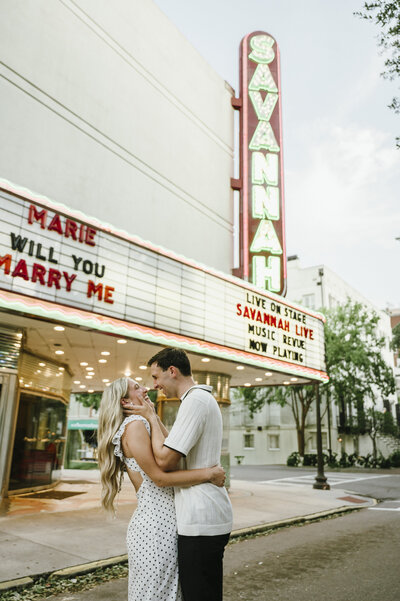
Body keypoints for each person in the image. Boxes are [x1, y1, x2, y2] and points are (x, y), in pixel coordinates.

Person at [97, 376, 226, 601]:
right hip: (156, 528)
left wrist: (152, 416)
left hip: (165, 522)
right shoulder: (135, 426)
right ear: (124, 401)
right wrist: (209, 474)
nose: (146, 388)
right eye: (137, 388)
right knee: (157, 595)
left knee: (167, 594)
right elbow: (159, 478)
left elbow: (173, 449)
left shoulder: (143, 421)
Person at [126, 348, 233, 601]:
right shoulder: (196, 400)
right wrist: (153, 416)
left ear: (171, 371)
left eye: (156, 377)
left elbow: (165, 460)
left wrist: (151, 418)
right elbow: (173, 445)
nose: (154, 385)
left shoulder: (195, 401)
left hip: (201, 517)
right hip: (202, 515)